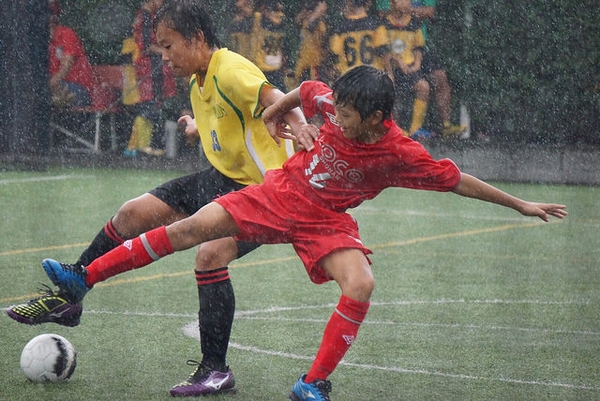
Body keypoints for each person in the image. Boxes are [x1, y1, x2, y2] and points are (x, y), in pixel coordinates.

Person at [13, 65, 567, 400]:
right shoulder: (335, 101)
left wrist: (519, 204)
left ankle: (313, 384)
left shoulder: (401, 152)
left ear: (376, 119)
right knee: (190, 231)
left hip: (326, 221)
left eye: (347, 117)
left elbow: (456, 180)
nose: (337, 120)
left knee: (361, 284)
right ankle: (84, 280)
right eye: (338, 112)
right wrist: (279, 112)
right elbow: (307, 90)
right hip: (278, 193)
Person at [7, 0, 305, 397]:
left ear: (197, 38)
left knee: (210, 255)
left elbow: (276, 97)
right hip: (224, 178)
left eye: (169, 46)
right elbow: (233, 117)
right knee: (132, 213)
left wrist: (301, 129)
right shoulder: (201, 77)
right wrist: (198, 127)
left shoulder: (230, 68)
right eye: (160, 48)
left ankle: (216, 370)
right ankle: (71, 296)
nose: (164, 57)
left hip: (268, 194)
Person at [124, 0, 178, 157]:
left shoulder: (149, 16)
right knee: (149, 106)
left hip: (152, 69)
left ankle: (144, 147)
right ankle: (140, 147)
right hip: (148, 69)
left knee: (153, 106)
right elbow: (147, 46)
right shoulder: (146, 17)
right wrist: (167, 51)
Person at [411, 0, 467, 138]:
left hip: (421, 46)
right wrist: (416, 12)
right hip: (396, 49)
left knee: (440, 78)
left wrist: (404, 10)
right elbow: (384, 14)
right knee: (393, 86)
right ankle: (398, 130)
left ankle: (446, 126)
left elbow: (429, 11)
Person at [382, 0, 431, 138]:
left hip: (409, 68)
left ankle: (416, 129)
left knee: (424, 87)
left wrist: (416, 65)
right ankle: (394, 131)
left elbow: (418, 47)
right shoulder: (384, 23)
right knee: (390, 95)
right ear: (392, 3)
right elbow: (383, 50)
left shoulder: (414, 23)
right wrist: (394, 65)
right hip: (390, 69)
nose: (407, 3)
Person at [323, 0, 389, 84]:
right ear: (368, 2)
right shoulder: (376, 25)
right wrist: (389, 73)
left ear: (349, 3)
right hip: (372, 77)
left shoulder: (339, 29)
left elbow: (334, 55)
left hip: (348, 78)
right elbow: (383, 52)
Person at [48, 0, 94, 108]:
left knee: (39, 97)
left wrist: (45, 86)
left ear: (54, 16)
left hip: (79, 88)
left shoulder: (67, 34)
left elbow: (66, 68)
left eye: (49, 12)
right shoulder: (39, 40)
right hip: (56, 87)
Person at [251, 0, 290, 91]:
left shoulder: (281, 26)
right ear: (265, 11)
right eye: (276, 10)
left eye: (281, 11)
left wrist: (284, 64)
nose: (280, 14)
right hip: (262, 69)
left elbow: (283, 47)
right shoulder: (258, 20)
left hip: (277, 70)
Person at [292, 0, 328, 86]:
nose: (304, 13)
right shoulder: (305, 22)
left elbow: (311, 28)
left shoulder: (319, 24)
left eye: (308, 10)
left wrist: (316, 14)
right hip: (303, 66)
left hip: (314, 67)